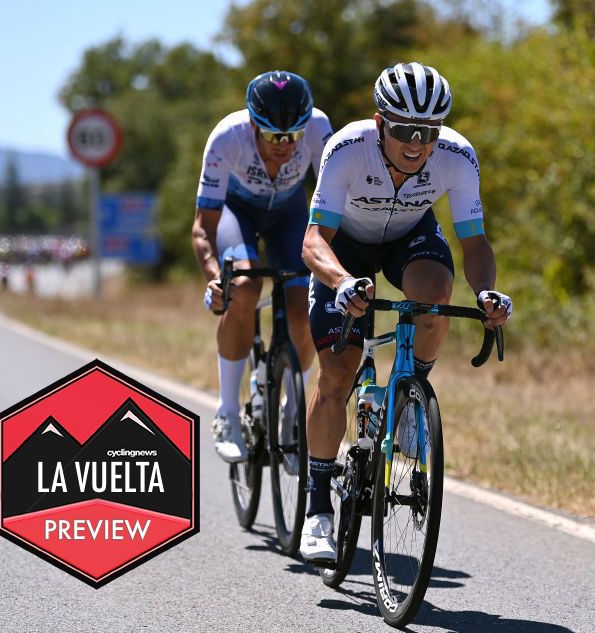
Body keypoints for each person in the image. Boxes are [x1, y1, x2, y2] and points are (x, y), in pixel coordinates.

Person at [298, 62, 513, 560]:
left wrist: (484, 292)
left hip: (409, 238)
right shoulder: (348, 149)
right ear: (380, 123)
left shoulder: (457, 157)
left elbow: (476, 243)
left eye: (428, 132)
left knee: (438, 292)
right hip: (345, 249)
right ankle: (318, 509)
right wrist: (342, 282)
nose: (416, 143)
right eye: (404, 131)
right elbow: (314, 240)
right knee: (336, 376)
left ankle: (412, 394)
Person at [191, 70, 333, 463]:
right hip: (239, 213)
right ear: (254, 124)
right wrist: (213, 279)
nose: (286, 146)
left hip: (289, 213)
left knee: (303, 310)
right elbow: (204, 226)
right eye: (274, 136)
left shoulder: (319, 128)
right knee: (245, 288)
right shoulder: (226, 138)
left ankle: (291, 412)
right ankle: (228, 414)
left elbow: (335, 205)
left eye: (293, 136)